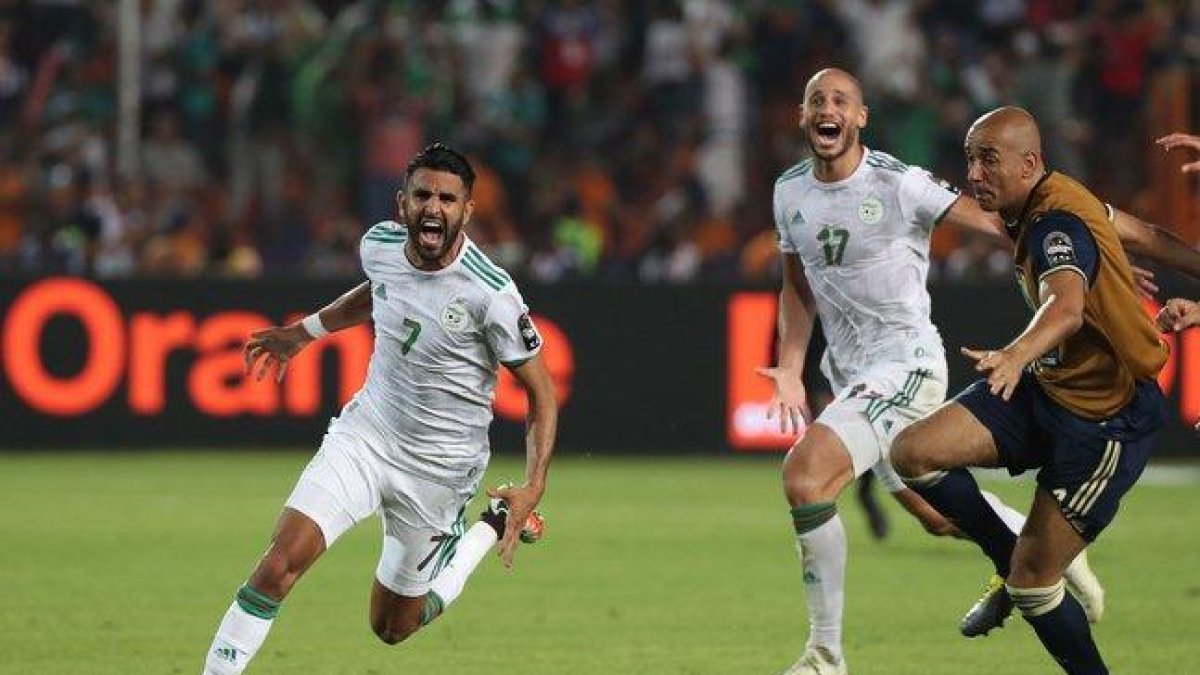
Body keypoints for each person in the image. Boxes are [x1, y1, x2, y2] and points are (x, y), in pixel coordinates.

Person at [757, 69, 1105, 675]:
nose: (827, 109)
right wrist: (791, 366)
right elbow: (796, 288)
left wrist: (1072, 259)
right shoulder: (790, 192)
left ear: (861, 117)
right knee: (938, 516)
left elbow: (1000, 222)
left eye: (840, 100)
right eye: (817, 100)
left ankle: (824, 657)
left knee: (806, 478)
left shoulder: (900, 184)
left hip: (907, 365)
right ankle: (1043, 544)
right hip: (851, 375)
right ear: (804, 116)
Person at [200, 144, 558, 674]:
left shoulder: (492, 294)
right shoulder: (380, 246)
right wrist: (304, 333)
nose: (433, 207)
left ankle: (488, 524)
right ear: (402, 203)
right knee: (278, 566)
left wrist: (533, 486)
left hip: (441, 470)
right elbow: (379, 291)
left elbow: (542, 393)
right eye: (423, 195)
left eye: (447, 198)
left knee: (393, 627)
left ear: (467, 211)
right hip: (367, 437)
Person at [890, 107, 1200, 674]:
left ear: (1029, 164)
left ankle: (1027, 580)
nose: (974, 173)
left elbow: (1067, 308)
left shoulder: (1053, 223)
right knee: (913, 453)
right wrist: (1111, 255)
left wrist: (1015, 354)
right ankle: (1008, 555)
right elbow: (1145, 235)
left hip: (1106, 419)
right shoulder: (1052, 197)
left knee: (1036, 588)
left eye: (989, 159)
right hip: (1049, 388)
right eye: (970, 157)